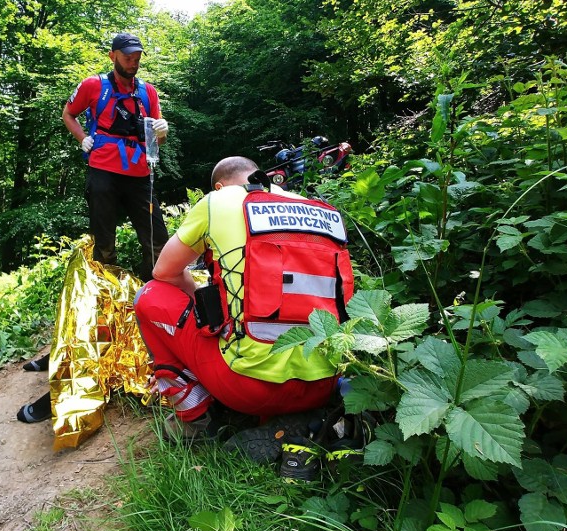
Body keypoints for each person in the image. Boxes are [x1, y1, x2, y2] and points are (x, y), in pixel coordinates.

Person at [133, 157, 355, 461]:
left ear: (220, 186)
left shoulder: (218, 201)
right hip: (322, 382)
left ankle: (197, 420)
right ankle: (306, 415)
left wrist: (203, 303)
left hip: (249, 389)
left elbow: (165, 272)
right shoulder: (315, 206)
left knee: (149, 295)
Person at [62, 33, 169, 281]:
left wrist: (162, 132)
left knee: (157, 239)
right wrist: (82, 139)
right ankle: (106, 295)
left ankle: (153, 292)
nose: (133, 62)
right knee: (104, 241)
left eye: (137, 58)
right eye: (128, 57)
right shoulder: (93, 85)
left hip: (139, 172)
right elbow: (68, 113)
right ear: (112, 56)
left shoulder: (148, 92)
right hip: (103, 169)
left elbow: (157, 140)